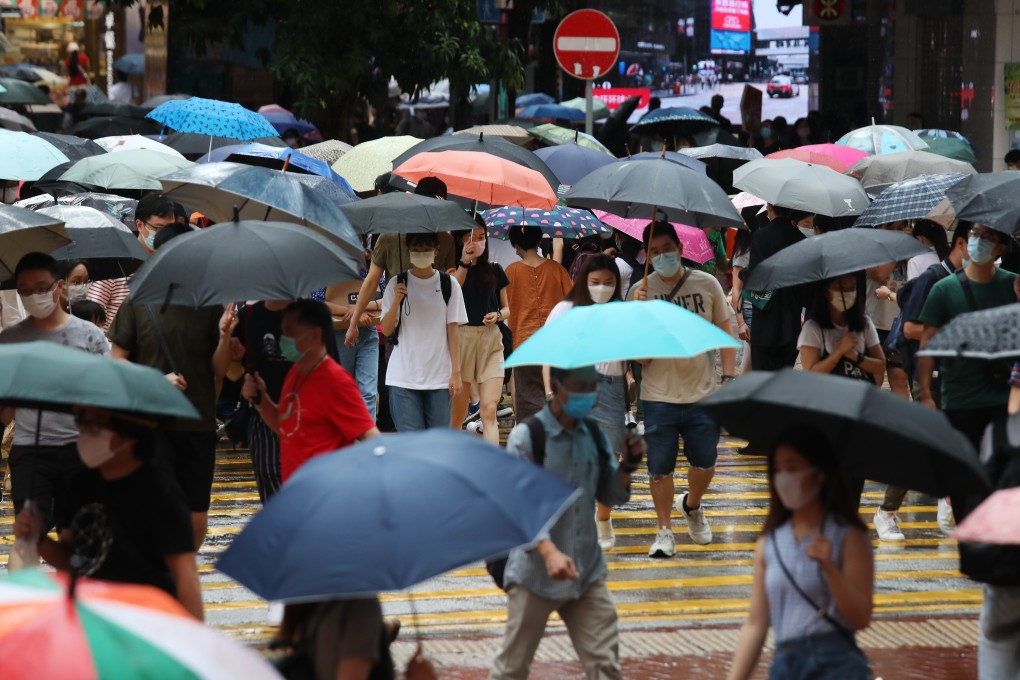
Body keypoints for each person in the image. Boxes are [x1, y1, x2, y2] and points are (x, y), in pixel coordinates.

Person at [490, 365, 645, 680]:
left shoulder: (593, 434)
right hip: (535, 575)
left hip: (586, 572)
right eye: (580, 386)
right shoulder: (528, 437)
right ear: (556, 387)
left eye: (592, 386)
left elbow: (610, 495)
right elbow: (521, 509)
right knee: (511, 669)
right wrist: (549, 553)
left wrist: (628, 465)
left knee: (605, 667)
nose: (587, 394)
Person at [109, 223, 236, 549]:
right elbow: (115, 361)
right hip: (149, 424)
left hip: (197, 424)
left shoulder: (208, 304)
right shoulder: (138, 300)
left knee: (196, 516)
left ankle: (182, 574)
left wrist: (224, 336)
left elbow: (218, 372)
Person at [14, 406, 203, 620]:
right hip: (94, 616)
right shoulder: (80, 485)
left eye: (95, 425)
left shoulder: (160, 492)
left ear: (128, 433)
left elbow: (185, 575)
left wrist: (196, 639)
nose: (84, 433)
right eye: (82, 422)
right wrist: (38, 537)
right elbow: (71, 559)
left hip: (145, 618)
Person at [727, 428, 874, 680]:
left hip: (837, 666)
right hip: (786, 665)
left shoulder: (849, 537)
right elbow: (756, 623)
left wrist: (830, 568)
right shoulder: (770, 541)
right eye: (777, 469)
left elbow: (860, 617)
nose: (783, 477)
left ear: (819, 474)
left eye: (792, 468)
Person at [630, 221, 737, 556]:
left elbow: (725, 330)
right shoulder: (641, 291)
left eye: (667, 248)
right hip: (659, 396)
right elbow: (642, 358)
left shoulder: (706, 285)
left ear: (679, 248)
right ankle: (664, 531)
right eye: (655, 251)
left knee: (705, 462)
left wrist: (728, 381)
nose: (662, 256)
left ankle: (691, 505)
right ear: (647, 254)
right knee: (659, 468)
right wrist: (641, 312)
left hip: (703, 391)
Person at [0, 252, 109, 532]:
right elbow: (4, 414)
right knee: (29, 538)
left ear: (59, 286)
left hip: (80, 452)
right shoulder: (10, 341)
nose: (33, 296)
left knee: (75, 538)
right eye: (25, 291)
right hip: (29, 452)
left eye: (41, 289)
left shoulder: (90, 335)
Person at [918, 223, 1020, 524]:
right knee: (961, 479)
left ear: (1001, 248)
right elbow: (927, 345)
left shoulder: (1013, 286)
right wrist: (925, 394)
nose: (977, 242)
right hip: (959, 399)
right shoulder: (944, 290)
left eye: (987, 238)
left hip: (1003, 401)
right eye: (975, 235)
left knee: (1001, 477)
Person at [243, 300, 379, 482]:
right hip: (296, 491)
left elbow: (371, 437)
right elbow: (286, 426)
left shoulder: (335, 380)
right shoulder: (295, 373)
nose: (283, 338)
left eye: (290, 332)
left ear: (315, 335)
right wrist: (262, 402)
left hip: (325, 493)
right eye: (283, 331)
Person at [545, 255, 628, 551]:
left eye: (609, 283)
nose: (602, 288)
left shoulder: (623, 312)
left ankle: (603, 518)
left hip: (611, 387)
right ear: (584, 282)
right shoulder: (565, 309)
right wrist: (551, 394)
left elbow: (637, 352)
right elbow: (550, 353)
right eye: (595, 282)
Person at [380, 232, 467, 432]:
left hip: (439, 378)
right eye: (416, 249)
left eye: (426, 249)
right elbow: (386, 329)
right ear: (408, 251)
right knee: (412, 445)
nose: (421, 253)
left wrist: (456, 373)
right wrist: (396, 301)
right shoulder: (396, 284)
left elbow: (453, 331)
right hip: (403, 377)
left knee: (436, 444)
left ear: (436, 252)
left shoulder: (449, 284)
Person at [504, 226, 572, 421]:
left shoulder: (510, 272)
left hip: (524, 344)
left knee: (527, 399)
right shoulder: (557, 269)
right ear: (539, 241)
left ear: (516, 246)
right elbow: (573, 301)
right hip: (556, 344)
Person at [450, 224, 510, 445]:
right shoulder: (452, 272)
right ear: (460, 241)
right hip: (462, 340)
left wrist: (498, 315)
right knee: (457, 417)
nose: (476, 242)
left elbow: (507, 309)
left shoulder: (495, 270)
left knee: (490, 410)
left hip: (491, 340)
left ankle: (491, 466)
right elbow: (454, 289)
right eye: (470, 238)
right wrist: (465, 260)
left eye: (481, 237)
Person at [89, 194, 172, 331]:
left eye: (170, 229)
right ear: (140, 225)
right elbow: (93, 313)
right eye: (159, 228)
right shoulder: (116, 262)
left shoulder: (172, 264)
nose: (165, 235)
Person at [745, 205, 810, 371]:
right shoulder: (801, 240)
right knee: (783, 382)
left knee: (762, 382)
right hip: (791, 324)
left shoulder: (761, 237)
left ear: (769, 207)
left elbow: (756, 281)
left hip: (764, 323)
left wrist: (744, 275)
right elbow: (805, 288)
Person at [798, 274, 886, 386]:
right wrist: (839, 352)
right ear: (826, 292)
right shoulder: (813, 328)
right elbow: (810, 375)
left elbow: (880, 366)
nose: (847, 294)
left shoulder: (865, 324)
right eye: (840, 289)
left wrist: (854, 355)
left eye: (852, 289)